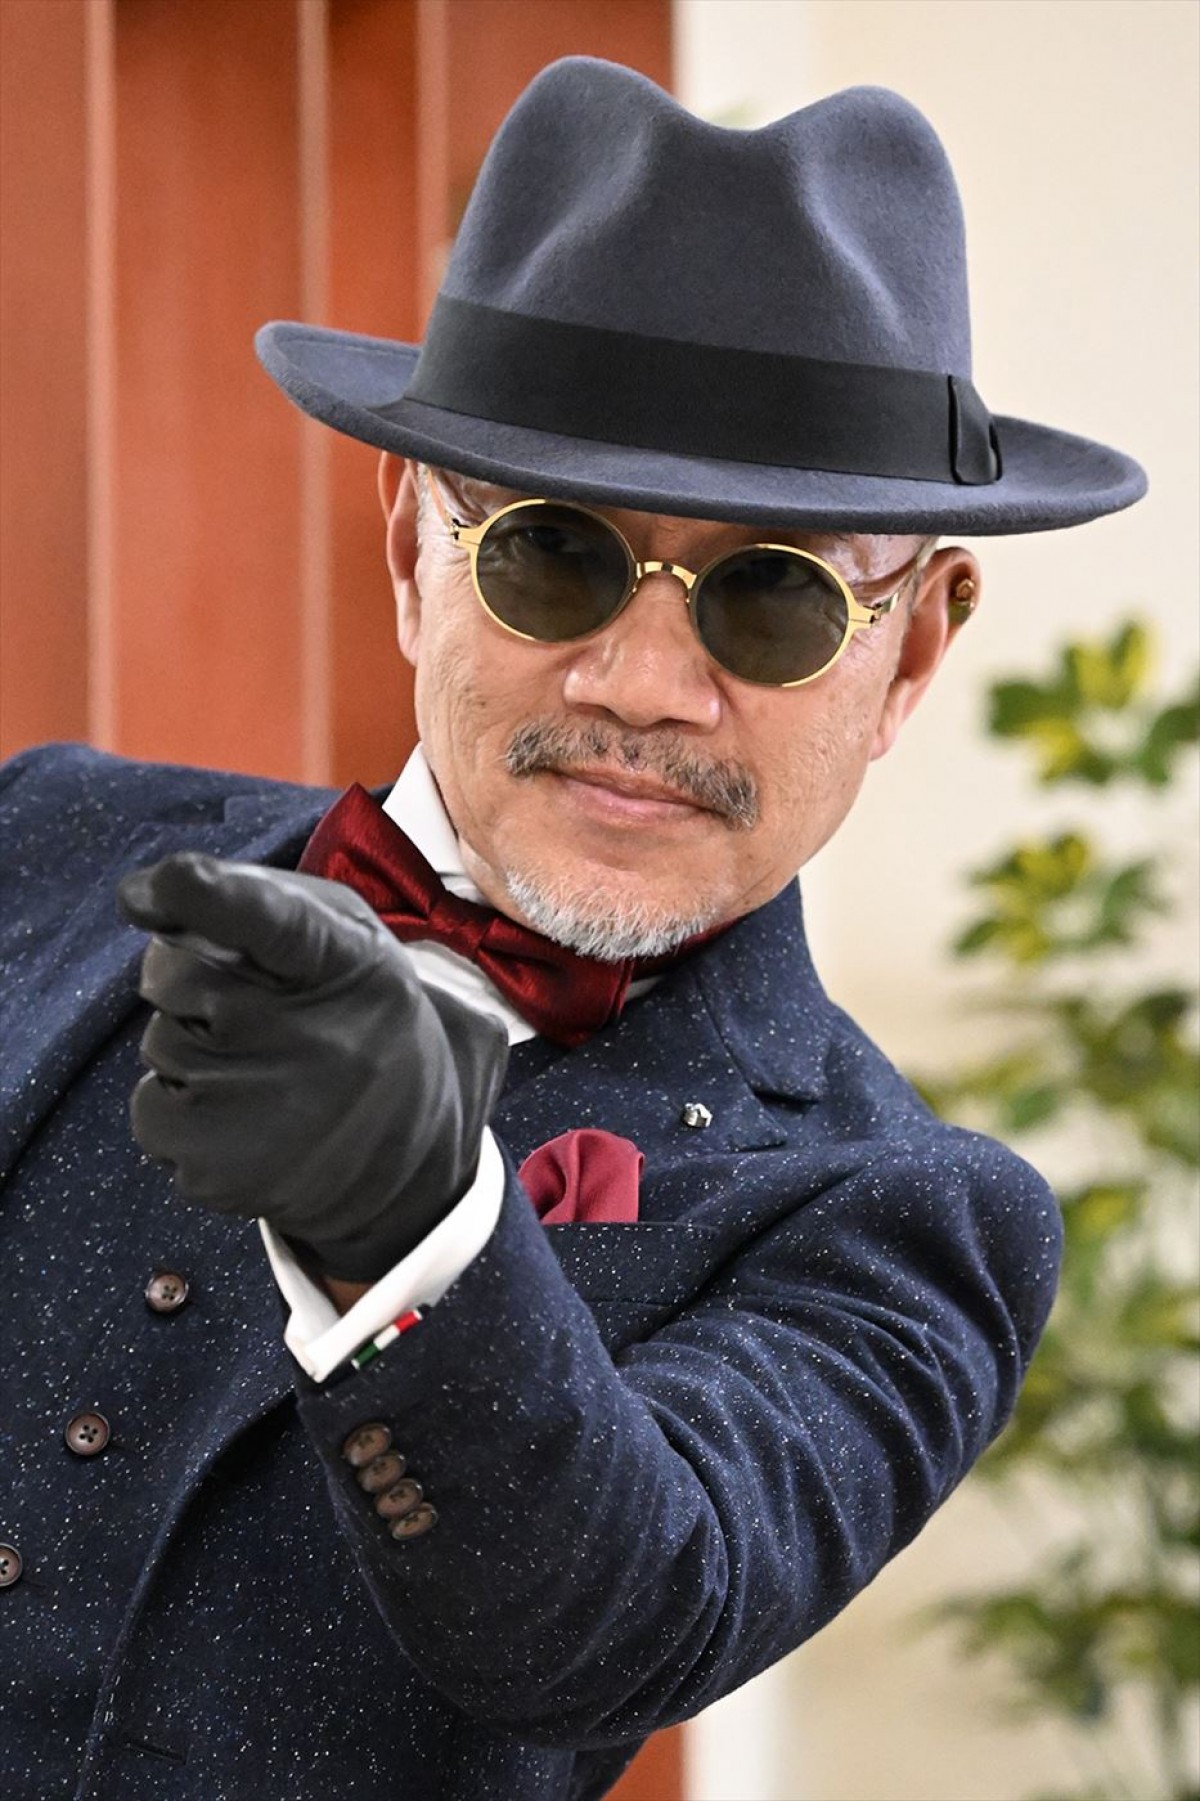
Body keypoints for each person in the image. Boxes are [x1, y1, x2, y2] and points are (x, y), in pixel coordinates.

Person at [1, 56, 1145, 1801]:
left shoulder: (911, 1220)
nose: (643, 685)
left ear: (912, 650)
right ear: (415, 551)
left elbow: (622, 1617)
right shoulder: (43, 832)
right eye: (554, 557)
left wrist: (409, 1219)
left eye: (773, 598)